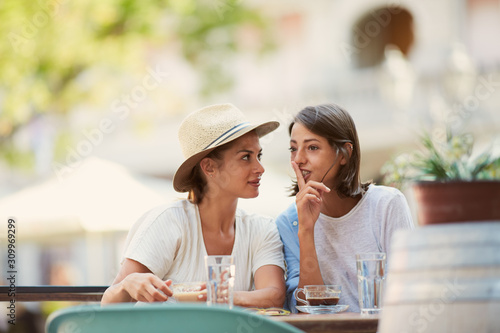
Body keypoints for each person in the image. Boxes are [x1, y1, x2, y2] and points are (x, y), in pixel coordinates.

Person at [102, 103, 286, 308]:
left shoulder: (261, 229)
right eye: (245, 157)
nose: (260, 168)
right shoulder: (168, 222)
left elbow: (274, 296)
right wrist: (127, 285)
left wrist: (217, 296)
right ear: (209, 167)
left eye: (258, 156)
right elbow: (109, 305)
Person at [275, 103, 414, 312]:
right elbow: (308, 310)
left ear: (344, 154)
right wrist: (305, 230)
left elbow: (409, 290)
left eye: (312, 147)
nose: (298, 159)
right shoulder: (289, 221)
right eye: (293, 149)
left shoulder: (387, 205)